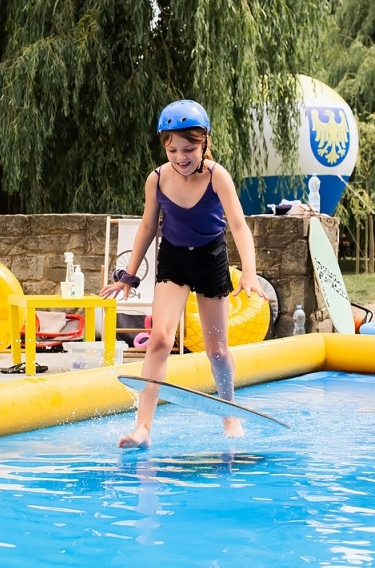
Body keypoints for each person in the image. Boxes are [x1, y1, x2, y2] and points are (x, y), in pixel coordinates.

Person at [101, 101, 259, 449]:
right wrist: (128, 276)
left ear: (205, 143)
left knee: (216, 349)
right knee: (159, 339)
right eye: (172, 149)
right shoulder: (157, 179)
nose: (181, 156)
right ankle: (143, 427)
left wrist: (249, 271)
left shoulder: (218, 176)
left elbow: (238, 225)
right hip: (173, 259)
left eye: (188, 148)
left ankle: (228, 413)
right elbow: (146, 227)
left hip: (210, 258)